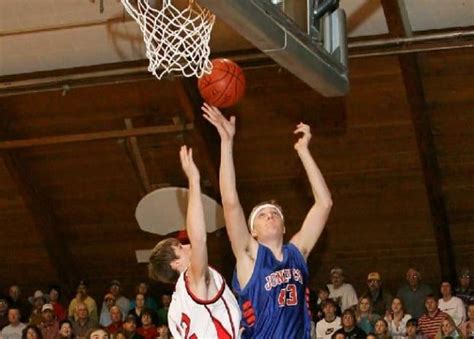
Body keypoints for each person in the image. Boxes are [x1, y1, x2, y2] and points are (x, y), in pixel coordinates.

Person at [203, 104, 332, 338]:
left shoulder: (297, 253)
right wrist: (226, 143)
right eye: (262, 215)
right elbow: (230, 203)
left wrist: (304, 151)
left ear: (284, 227)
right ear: (252, 231)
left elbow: (324, 204)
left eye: (274, 213)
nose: (269, 215)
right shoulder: (249, 256)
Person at [148, 146, 241, 338]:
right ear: (175, 263)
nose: (188, 245)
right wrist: (194, 180)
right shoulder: (193, 280)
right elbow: (199, 239)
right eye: (181, 247)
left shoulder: (175, 306)